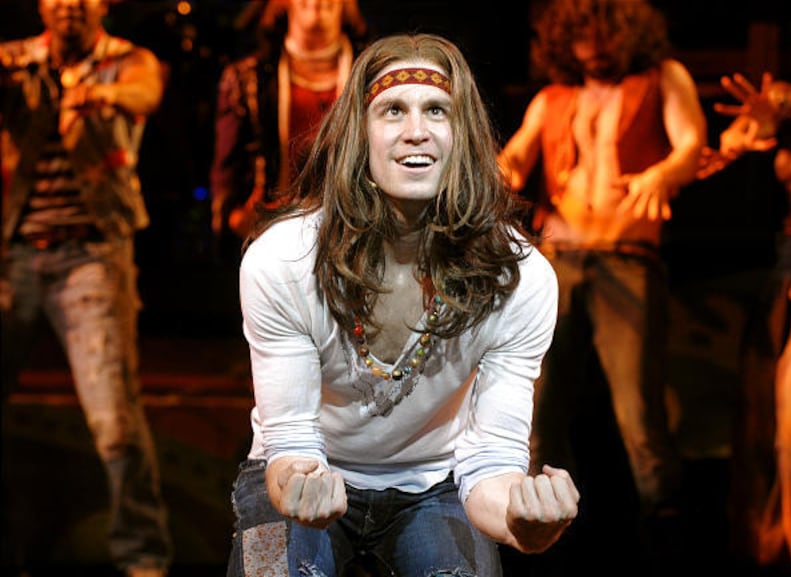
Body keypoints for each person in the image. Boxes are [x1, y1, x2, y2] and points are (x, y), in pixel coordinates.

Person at [227, 33, 580, 577]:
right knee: (269, 571)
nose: (417, 130)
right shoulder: (282, 261)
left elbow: (491, 460)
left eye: (436, 110)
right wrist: (297, 487)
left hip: (438, 483)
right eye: (393, 109)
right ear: (358, 135)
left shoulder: (520, 279)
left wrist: (523, 525)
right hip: (297, 471)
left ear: (462, 136)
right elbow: (291, 438)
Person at [497, 0, 707, 561]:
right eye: (580, 31)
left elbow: (691, 144)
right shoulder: (552, 99)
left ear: (626, 28)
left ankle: (667, 539)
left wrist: (664, 172)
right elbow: (514, 159)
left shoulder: (662, 78)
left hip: (626, 255)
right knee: (536, 406)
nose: (593, 42)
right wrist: (495, 172)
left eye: (604, 29)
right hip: (557, 256)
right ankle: (533, 541)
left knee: (639, 415)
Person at [0, 1, 171, 576]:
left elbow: (145, 91)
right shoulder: (19, 60)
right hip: (12, 254)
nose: (69, 4)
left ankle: (141, 555)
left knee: (115, 421)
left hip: (91, 254)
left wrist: (97, 95)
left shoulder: (126, 61)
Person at [698, 64, 791, 571]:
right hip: (788, 268)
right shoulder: (778, 122)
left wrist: (785, 104)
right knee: (775, 430)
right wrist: (747, 146)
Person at [209, 0, 369, 251]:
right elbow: (227, 167)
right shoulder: (246, 79)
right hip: (273, 237)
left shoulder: (374, 74)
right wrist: (234, 217)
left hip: (360, 236)